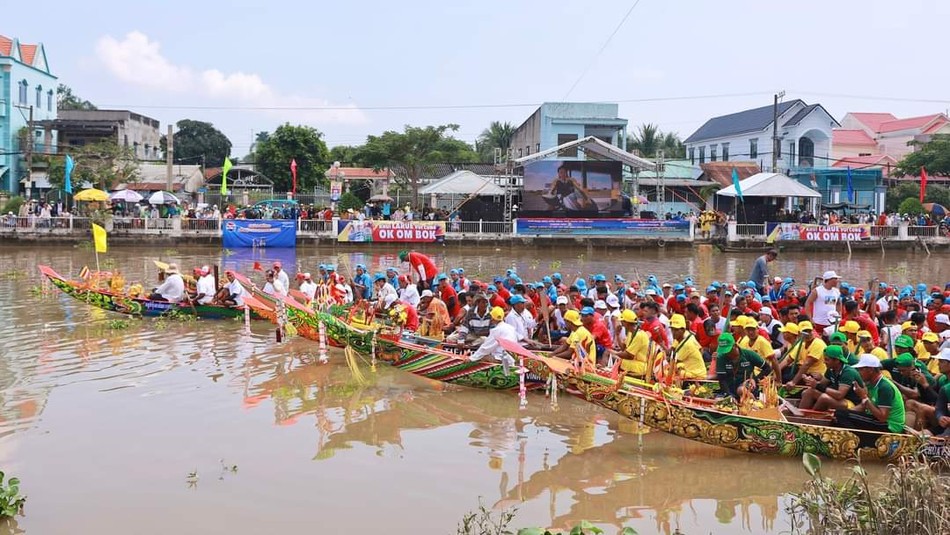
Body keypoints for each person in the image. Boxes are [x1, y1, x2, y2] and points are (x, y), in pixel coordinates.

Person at [832, 354, 905, 435]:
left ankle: (858, 441)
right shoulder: (870, 384)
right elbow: (863, 406)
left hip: (889, 426)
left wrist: (864, 397)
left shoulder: (884, 387)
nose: (858, 372)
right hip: (878, 420)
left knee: (840, 414)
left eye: (861, 369)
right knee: (838, 415)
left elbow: (882, 417)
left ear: (870, 370)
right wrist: (845, 412)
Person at [799, 346, 865, 411]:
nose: (824, 362)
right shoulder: (831, 369)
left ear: (837, 360)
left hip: (852, 403)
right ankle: (800, 415)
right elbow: (822, 384)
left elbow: (839, 395)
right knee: (808, 392)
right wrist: (810, 381)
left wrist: (817, 385)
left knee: (824, 398)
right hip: (839, 399)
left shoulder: (848, 372)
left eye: (827, 359)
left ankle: (811, 417)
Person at [715, 332, 772, 400]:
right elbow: (722, 379)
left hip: (747, 385)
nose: (726, 353)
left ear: (735, 346)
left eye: (728, 350)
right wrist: (728, 395)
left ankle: (755, 403)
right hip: (729, 389)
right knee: (718, 400)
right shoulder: (721, 357)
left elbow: (767, 368)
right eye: (723, 350)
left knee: (741, 390)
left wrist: (755, 379)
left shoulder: (749, 354)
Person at [669, 314, 707, 380]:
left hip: (695, 375)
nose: (673, 332)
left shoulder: (687, 343)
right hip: (692, 370)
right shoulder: (685, 335)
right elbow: (672, 350)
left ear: (683, 330)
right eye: (672, 329)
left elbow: (673, 361)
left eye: (676, 330)